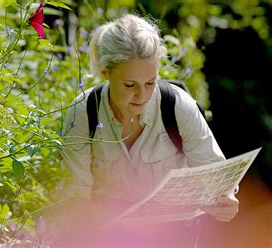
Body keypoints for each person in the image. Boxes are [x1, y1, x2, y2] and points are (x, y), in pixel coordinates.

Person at [55, 14, 239, 246]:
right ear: (105, 72)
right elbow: (75, 196)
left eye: (150, 83)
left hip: (174, 237)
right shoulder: (83, 112)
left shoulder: (178, 107)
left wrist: (226, 200)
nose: (141, 96)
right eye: (130, 85)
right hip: (108, 236)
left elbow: (216, 177)